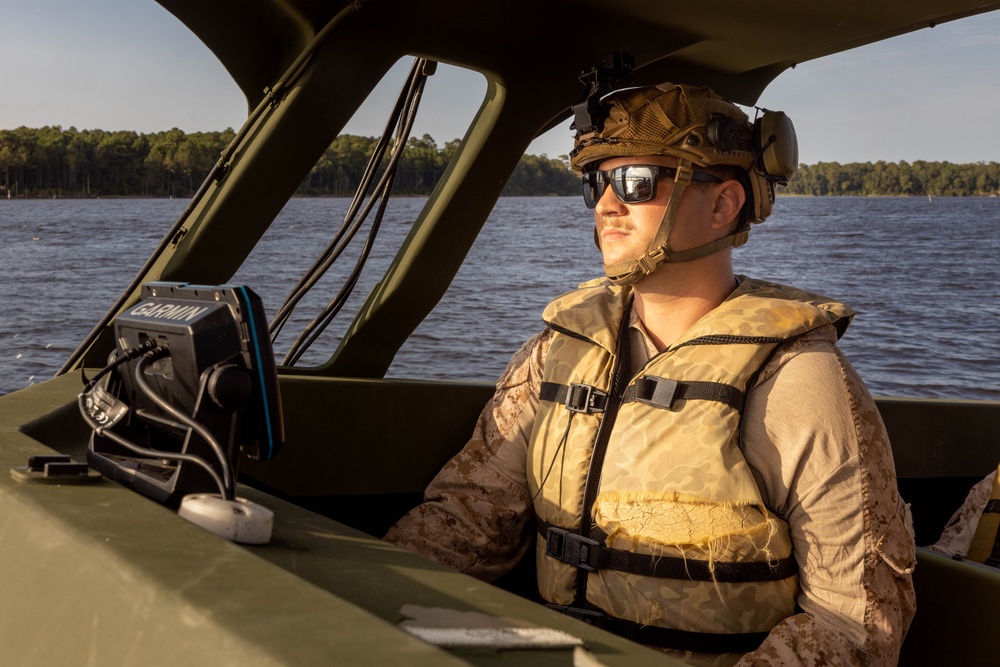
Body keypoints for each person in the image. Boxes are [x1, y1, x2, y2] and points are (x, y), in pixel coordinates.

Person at [385, 83, 916, 666]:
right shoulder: (556, 354)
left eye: (636, 181)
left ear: (723, 205)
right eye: (598, 183)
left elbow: (853, 624)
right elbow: (469, 520)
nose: (607, 206)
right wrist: (366, 599)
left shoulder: (800, 382)